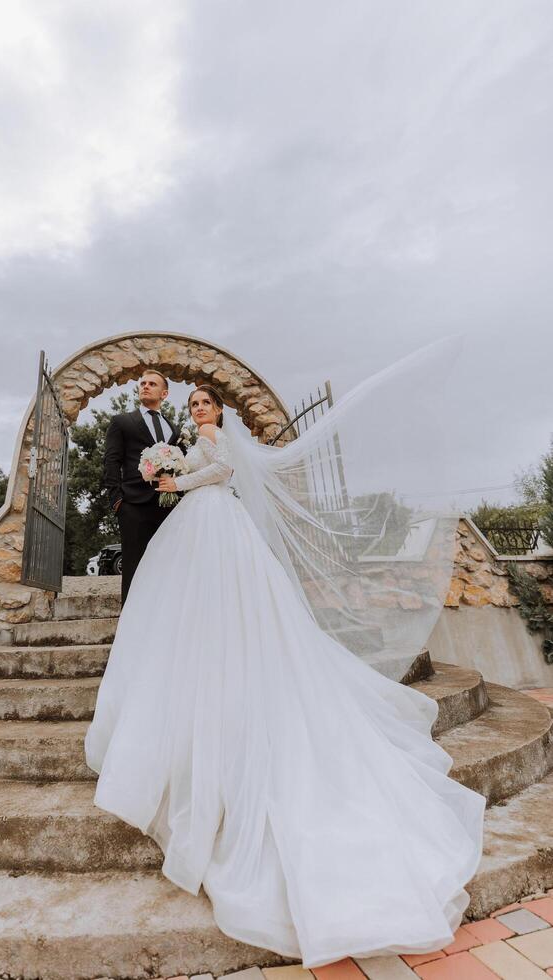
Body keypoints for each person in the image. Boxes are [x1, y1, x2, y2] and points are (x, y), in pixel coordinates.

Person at [85, 340, 486, 968]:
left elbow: (217, 475)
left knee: (232, 602)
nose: (199, 409)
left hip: (213, 518)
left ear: (218, 409)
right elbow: (191, 471)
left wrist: (175, 477)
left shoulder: (215, 444)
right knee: (186, 603)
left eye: (204, 402)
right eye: (194, 403)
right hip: (196, 521)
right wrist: (164, 477)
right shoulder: (186, 436)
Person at [103, 369, 184, 604]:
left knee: (166, 564)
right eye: (143, 383)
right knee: (134, 567)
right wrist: (117, 501)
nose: (145, 386)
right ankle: (131, 626)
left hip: (168, 507)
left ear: (164, 393)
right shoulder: (122, 422)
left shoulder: (174, 429)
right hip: (133, 506)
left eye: (152, 384)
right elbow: (111, 461)